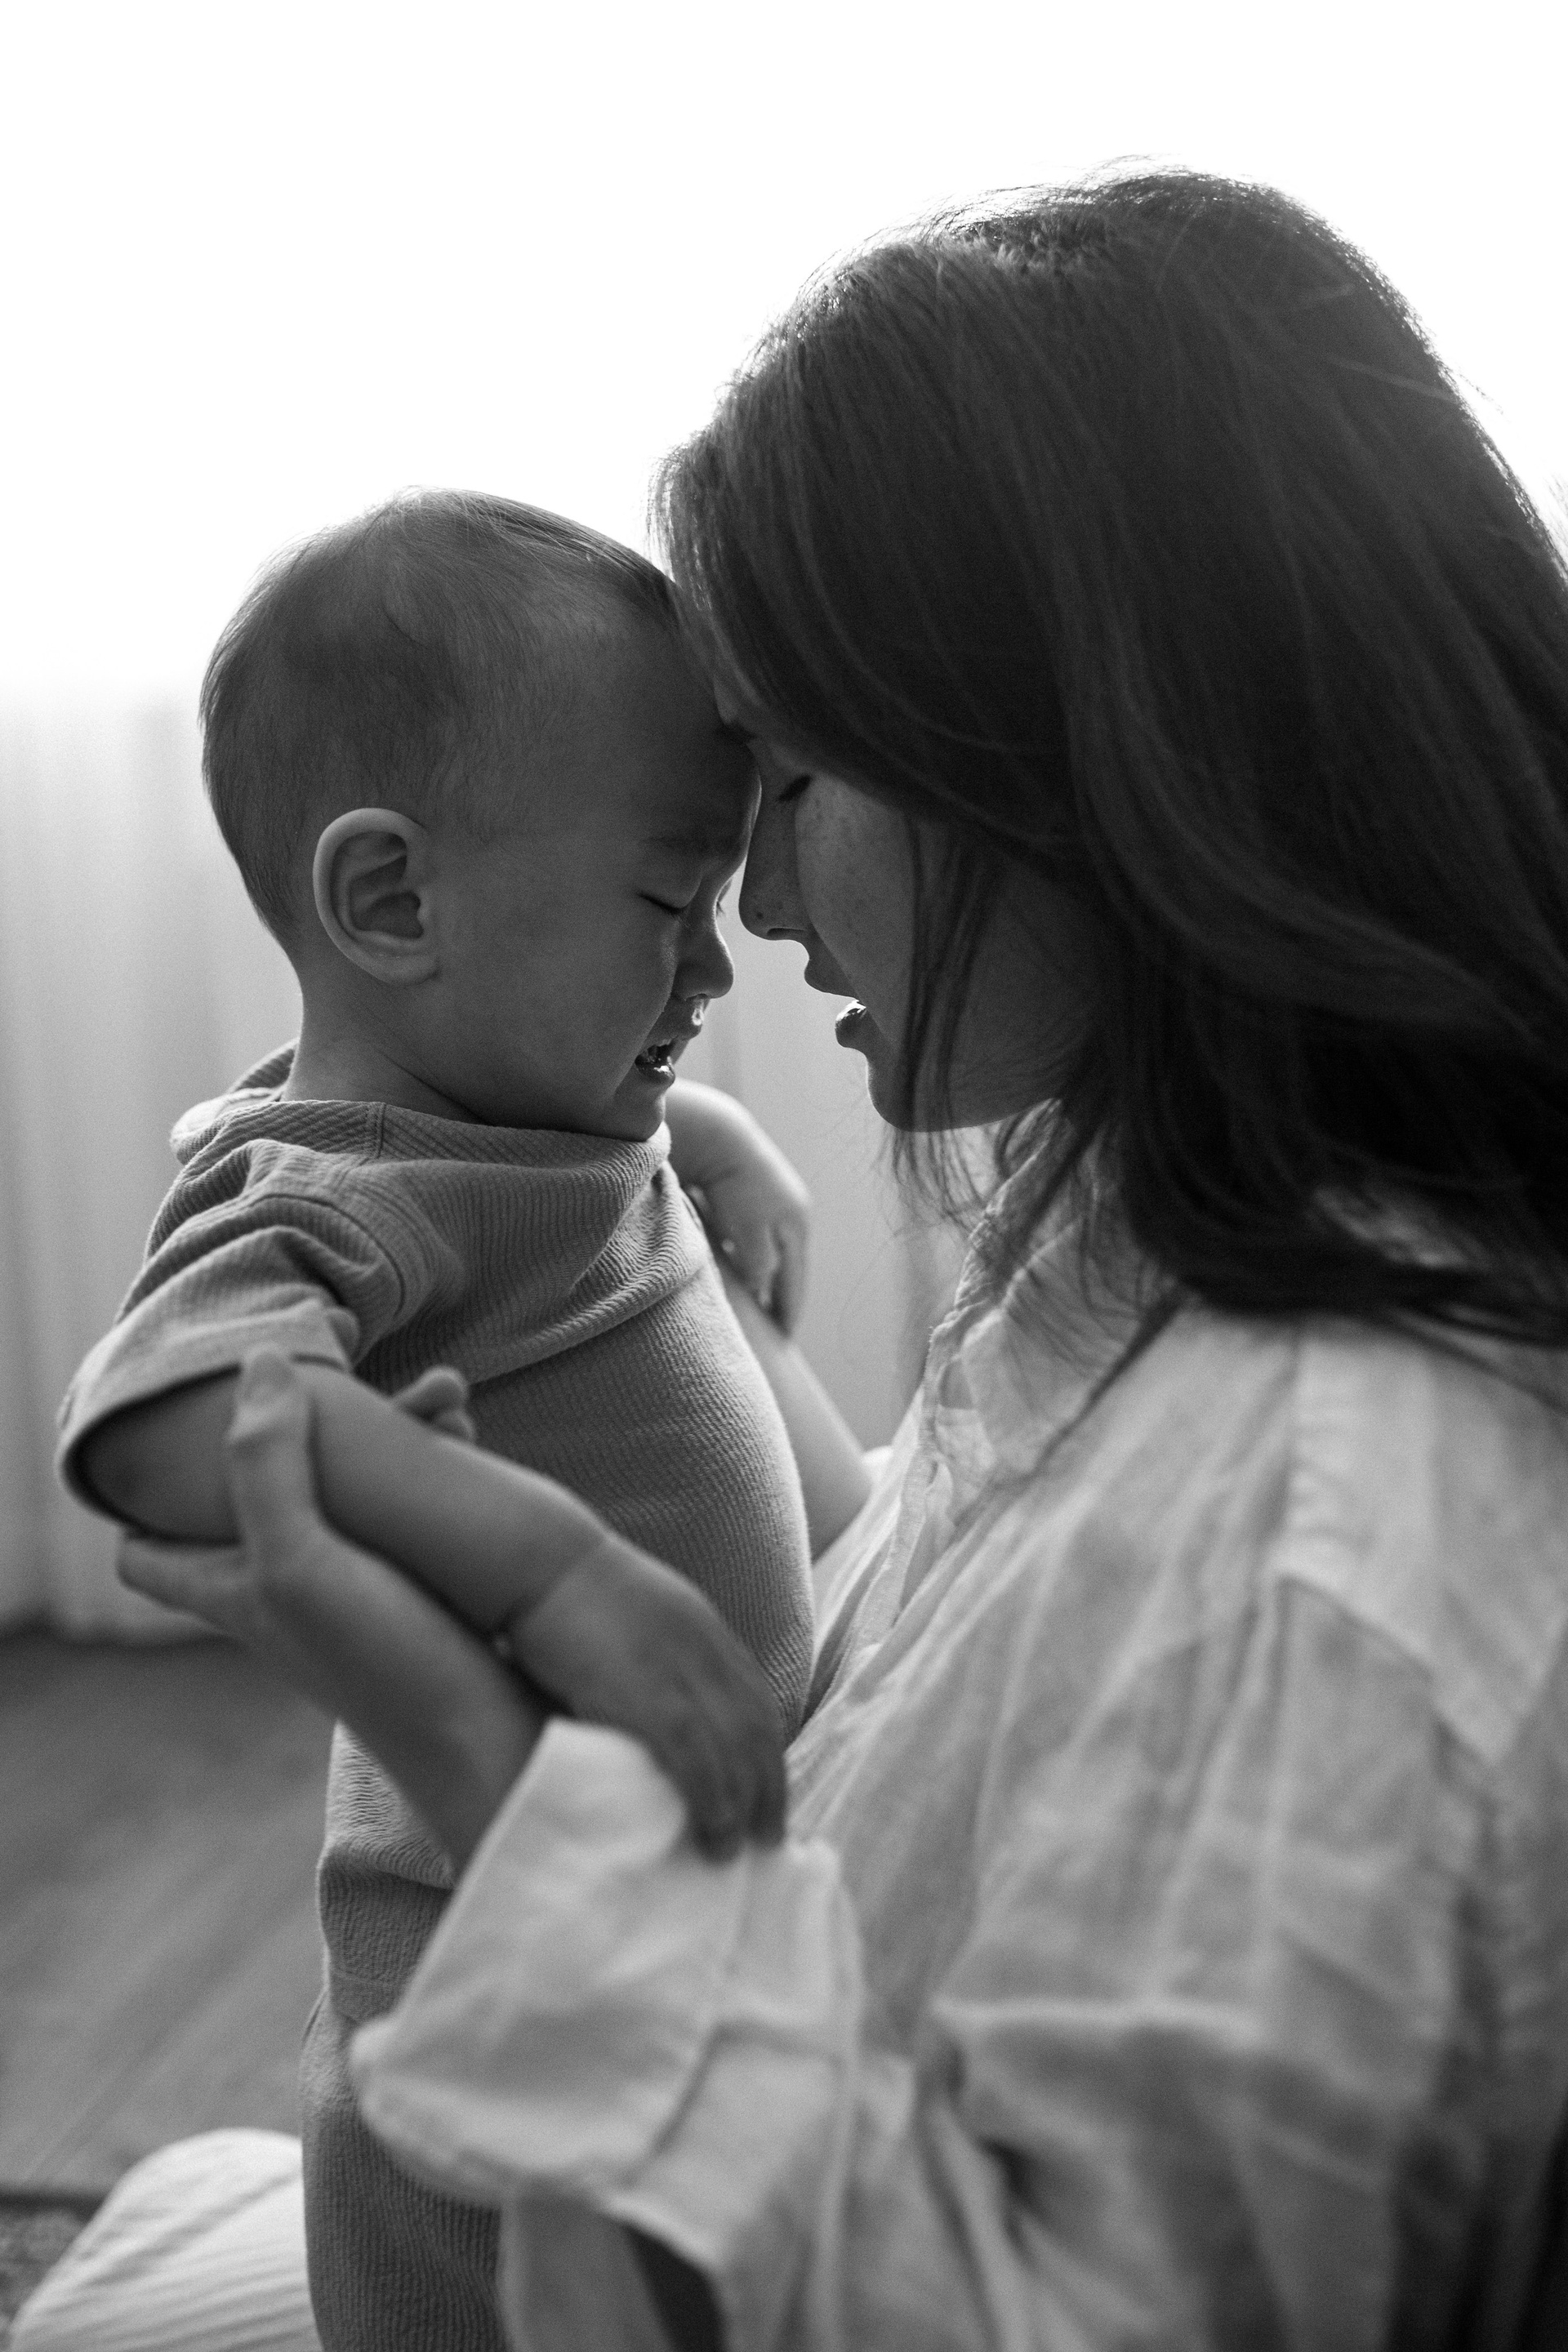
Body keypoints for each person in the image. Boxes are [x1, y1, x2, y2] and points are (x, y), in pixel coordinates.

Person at [20, 165, 1568, 2350]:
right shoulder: (1170, 1210)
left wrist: (488, 1758)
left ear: (1083, 762)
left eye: (799, 787)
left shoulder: (1324, 1543)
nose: (748, 913)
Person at [52, 492, 870, 2352]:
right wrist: (540, 1564)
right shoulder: (329, 1198)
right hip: (488, 2024)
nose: (717, 963)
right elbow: (159, 1412)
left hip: (655, 1927)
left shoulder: (515, 1110)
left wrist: (697, 1130)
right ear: (392, 904)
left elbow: (530, 1179)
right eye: (667, 902)